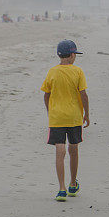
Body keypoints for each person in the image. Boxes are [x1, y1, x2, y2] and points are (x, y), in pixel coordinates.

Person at [40, 39, 89, 201]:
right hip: (74, 117)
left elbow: (46, 94)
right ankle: (73, 184)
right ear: (72, 55)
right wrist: (86, 114)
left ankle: (61, 189)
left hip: (57, 118)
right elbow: (83, 94)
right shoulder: (78, 72)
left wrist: (50, 111)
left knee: (59, 152)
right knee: (73, 150)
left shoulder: (52, 72)